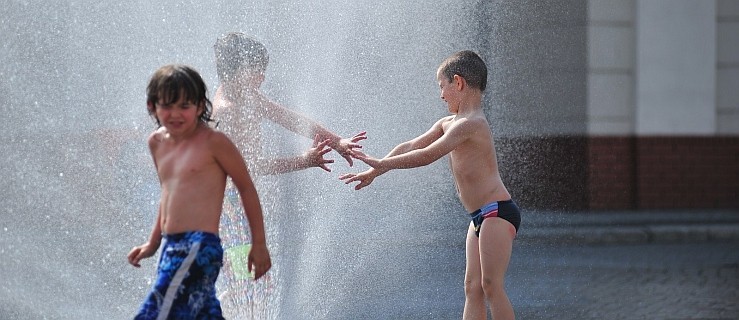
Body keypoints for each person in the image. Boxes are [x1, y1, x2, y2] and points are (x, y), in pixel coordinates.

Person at [340, 50, 521, 320]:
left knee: (491, 285)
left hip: (497, 211)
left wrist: (383, 164)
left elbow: (428, 155)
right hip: (478, 217)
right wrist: (376, 169)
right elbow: (412, 146)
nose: (441, 95)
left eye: (442, 86)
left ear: (457, 83)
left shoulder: (472, 124)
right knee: (472, 288)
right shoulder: (449, 122)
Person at [211, 32, 366, 318]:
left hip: (238, 203)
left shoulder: (241, 92)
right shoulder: (228, 111)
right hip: (229, 208)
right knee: (246, 278)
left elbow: (288, 118)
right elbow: (250, 166)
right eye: (256, 71)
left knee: (250, 278)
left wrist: (337, 141)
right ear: (237, 71)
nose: (262, 78)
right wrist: (303, 161)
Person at [127, 64, 271, 320]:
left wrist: (258, 244)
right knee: (203, 314)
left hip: (198, 246)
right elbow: (168, 195)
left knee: (155, 313)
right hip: (171, 247)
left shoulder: (214, 143)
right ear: (152, 106)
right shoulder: (157, 143)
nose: (175, 114)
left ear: (200, 107)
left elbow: (247, 188)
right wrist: (153, 242)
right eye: (167, 106)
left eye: (185, 106)